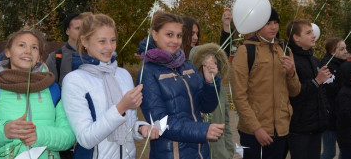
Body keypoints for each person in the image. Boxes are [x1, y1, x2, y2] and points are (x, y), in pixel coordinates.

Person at [0, 29, 75, 159]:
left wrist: (40, 136)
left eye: (34, 47)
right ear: (8, 52)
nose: (28, 51)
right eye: (21, 45)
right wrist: (2, 133)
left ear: (39, 56)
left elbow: (69, 137)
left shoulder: (53, 90)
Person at [61, 14, 158, 159]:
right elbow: (86, 139)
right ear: (85, 41)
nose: (109, 47)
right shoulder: (74, 80)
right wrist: (121, 108)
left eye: (113, 40)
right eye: (102, 41)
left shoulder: (123, 75)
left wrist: (141, 128)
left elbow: (128, 124)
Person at [139, 12, 224, 159]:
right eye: (169, 34)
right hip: (172, 154)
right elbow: (159, 122)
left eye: (179, 36)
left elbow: (206, 107)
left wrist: (210, 83)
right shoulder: (147, 72)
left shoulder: (186, 65)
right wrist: (202, 131)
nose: (175, 40)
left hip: (200, 152)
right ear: (155, 34)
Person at [231, 8, 300, 158]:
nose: (273, 27)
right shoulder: (245, 51)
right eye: (268, 23)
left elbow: (295, 91)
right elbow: (239, 96)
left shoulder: (285, 50)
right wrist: (256, 129)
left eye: (276, 23)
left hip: (282, 131)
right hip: (253, 132)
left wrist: (291, 74)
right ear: (258, 25)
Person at [285, 20, 331, 159]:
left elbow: (320, 92)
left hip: (316, 127)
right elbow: (293, 93)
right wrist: (317, 81)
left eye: (313, 31)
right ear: (296, 37)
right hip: (299, 128)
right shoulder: (290, 61)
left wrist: (325, 112)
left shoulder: (314, 59)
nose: (314, 35)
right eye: (308, 32)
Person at [189, 43, 235, 159]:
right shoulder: (189, 92)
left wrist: (229, 151)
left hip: (221, 155)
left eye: (213, 63)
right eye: (206, 64)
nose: (210, 67)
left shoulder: (220, 91)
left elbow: (226, 124)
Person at [320, 38, 350, 159]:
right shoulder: (326, 66)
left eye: (346, 48)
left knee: (346, 149)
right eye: (342, 49)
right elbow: (332, 90)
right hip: (330, 117)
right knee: (329, 152)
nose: (346, 51)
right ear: (333, 52)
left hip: (342, 115)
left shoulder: (343, 64)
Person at [46, 12, 92, 87]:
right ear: (67, 31)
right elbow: (49, 89)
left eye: (84, 29)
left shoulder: (94, 55)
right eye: (78, 28)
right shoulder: (55, 58)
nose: (82, 32)